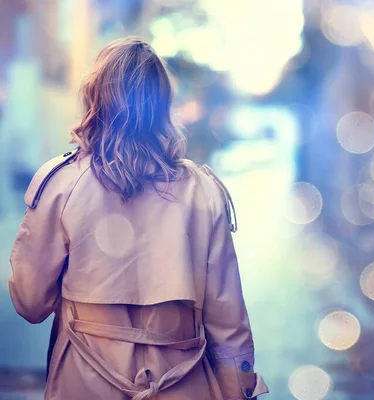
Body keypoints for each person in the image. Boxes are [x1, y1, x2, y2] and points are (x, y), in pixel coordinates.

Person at [8, 37, 268, 400]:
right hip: (184, 386)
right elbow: (229, 325)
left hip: (82, 386)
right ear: (164, 106)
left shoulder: (61, 186)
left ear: (95, 99)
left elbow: (30, 303)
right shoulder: (204, 192)